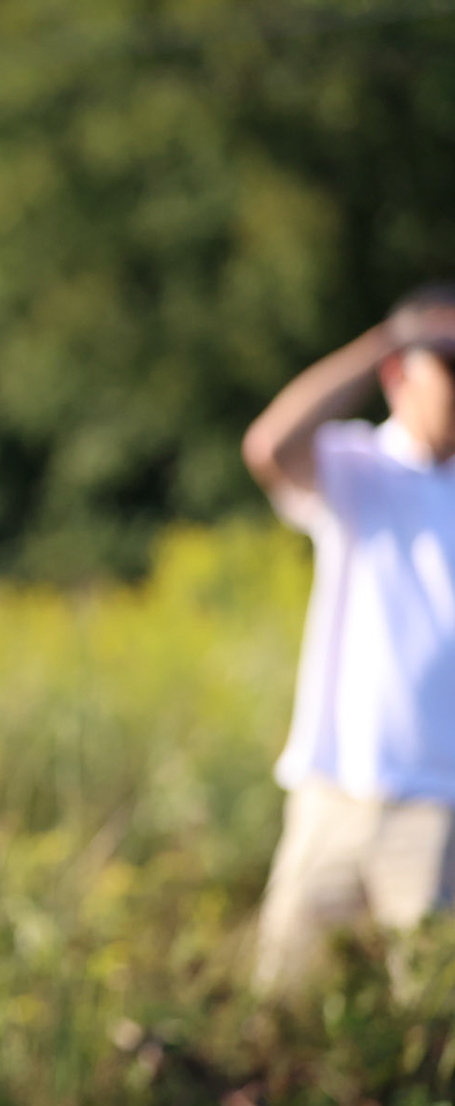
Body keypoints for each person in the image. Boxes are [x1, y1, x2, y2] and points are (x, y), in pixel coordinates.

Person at [242, 283, 455, 991]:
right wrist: (387, 339)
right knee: (283, 998)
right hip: (334, 791)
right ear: (400, 375)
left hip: (442, 806)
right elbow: (269, 444)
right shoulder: (358, 466)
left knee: (426, 1017)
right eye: (448, 366)